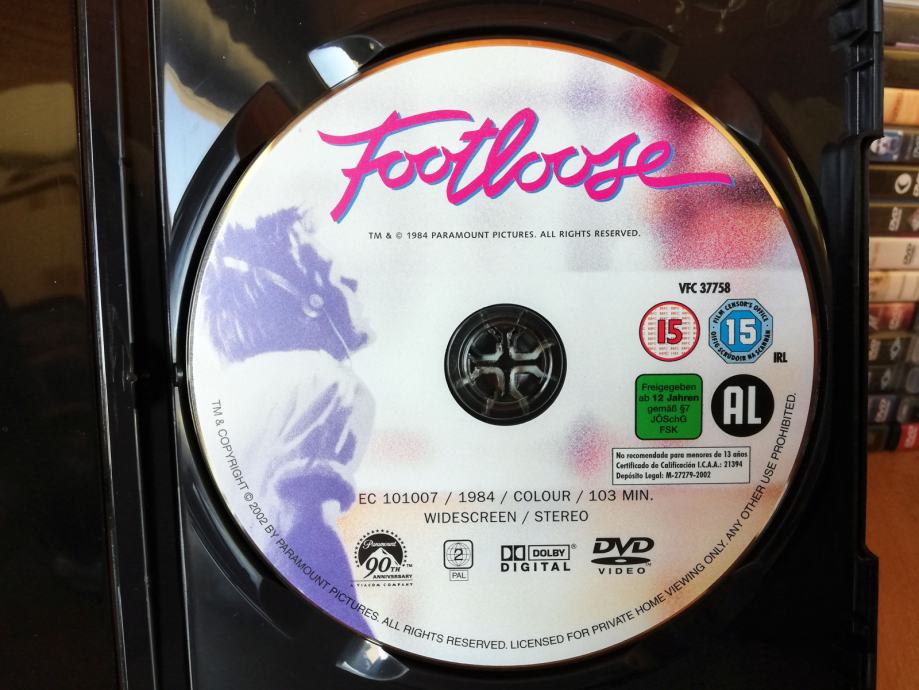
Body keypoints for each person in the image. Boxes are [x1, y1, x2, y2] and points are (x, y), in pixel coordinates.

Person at [201, 207, 374, 636]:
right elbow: (304, 529)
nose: (354, 282)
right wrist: (353, 639)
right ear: (311, 303)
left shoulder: (233, 385)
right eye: (335, 276)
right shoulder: (321, 381)